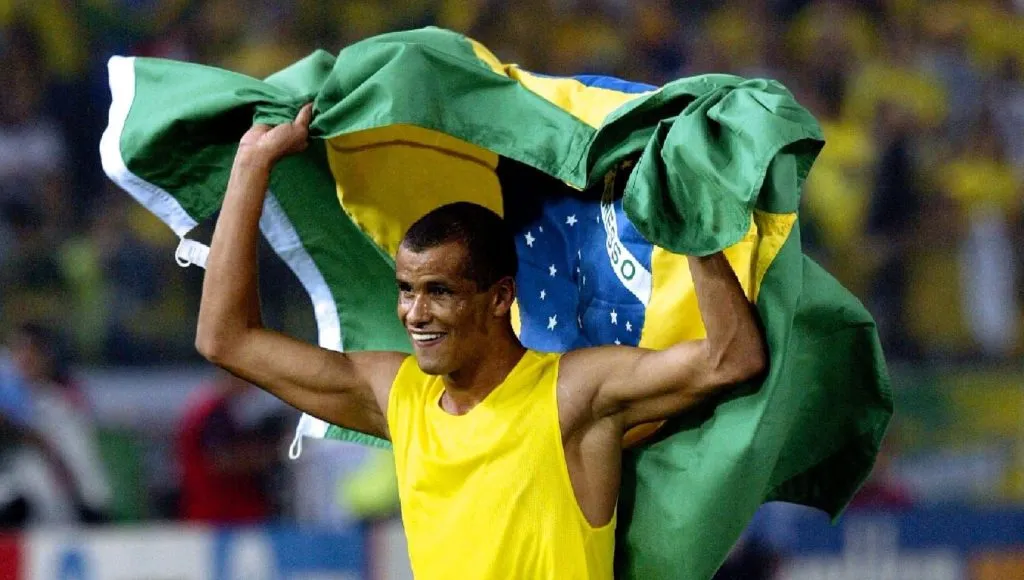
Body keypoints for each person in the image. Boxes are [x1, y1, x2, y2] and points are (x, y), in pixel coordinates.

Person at [195, 104, 767, 579]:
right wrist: (251, 165)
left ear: (499, 298)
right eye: (406, 290)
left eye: (439, 291)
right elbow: (227, 339)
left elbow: (731, 359)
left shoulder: (573, 394)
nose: (415, 313)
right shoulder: (397, 396)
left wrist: (687, 233)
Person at [176, 370, 284, 523]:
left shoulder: (215, 408)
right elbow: (220, 460)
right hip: (222, 515)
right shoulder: (212, 411)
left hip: (221, 514)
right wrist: (270, 454)